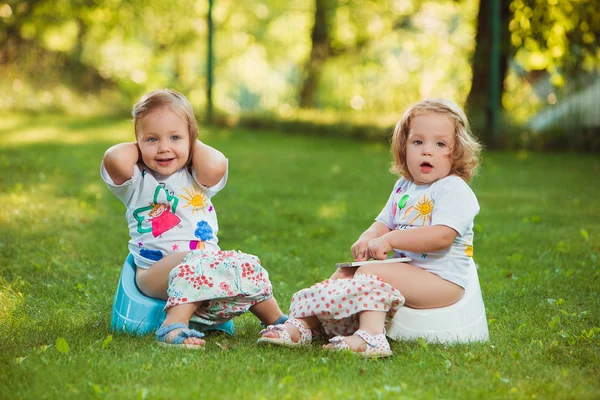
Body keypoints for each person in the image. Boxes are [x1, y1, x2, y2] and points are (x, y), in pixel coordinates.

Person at [258, 99, 482, 358]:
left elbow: (442, 236)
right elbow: (382, 224)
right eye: (417, 142)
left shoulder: (452, 189)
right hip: (408, 272)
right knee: (345, 272)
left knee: (370, 272)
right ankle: (305, 326)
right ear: (403, 146)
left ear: (457, 153)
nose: (427, 151)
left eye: (440, 144)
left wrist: (392, 240)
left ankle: (371, 337)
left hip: (442, 281)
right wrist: (369, 237)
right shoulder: (403, 187)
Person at [102, 89, 286, 349]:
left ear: (191, 140)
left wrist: (191, 140)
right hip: (155, 274)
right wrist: (141, 146)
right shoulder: (136, 180)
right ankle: (171, 326)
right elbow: (114, 159)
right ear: (138, 143)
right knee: (191, 261)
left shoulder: (196, 176)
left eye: (175, 137)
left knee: (247, 264)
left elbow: (217, 165)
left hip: (208, 266)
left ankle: (277, 322)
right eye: (152, 139)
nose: (164, 147)